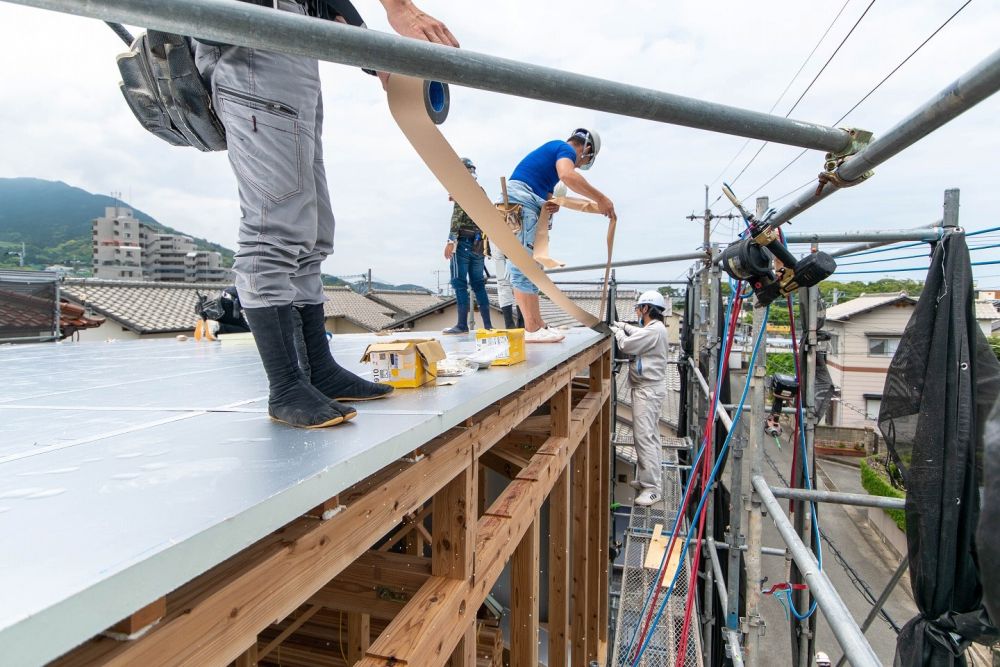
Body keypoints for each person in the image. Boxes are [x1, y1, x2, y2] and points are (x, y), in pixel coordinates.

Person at [194, 0, 459, 428]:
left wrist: (376, 60)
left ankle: (318, 369)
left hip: (293, 36)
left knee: (312, 230)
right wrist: (400, 9)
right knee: (274, 226)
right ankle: (285, 385)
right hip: (251, 37)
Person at [505, 128, 614, 343]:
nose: (579, 164)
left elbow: (546, 191)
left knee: (533, 265)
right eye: (584, 162)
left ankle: (537, 324)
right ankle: (532, 328)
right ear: (587, 149)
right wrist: (601, 199)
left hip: (527, 199)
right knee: (523, 264)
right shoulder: (564, 148)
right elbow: (567, 174)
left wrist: (551, 202)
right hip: (522, 199)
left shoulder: (552, 155)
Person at [613, 291, 670, 506]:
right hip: (649, 389)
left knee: (644, 437)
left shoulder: (654, 331)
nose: (637, 311)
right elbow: (638, 333)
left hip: (647, 390)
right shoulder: (654, 329)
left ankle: (653, 489)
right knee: (651, 436)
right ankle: (649, 481)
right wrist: (624, 326)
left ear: (646, 309)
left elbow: (627, 346)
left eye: (639, 308)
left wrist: (618, 333)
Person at [443, 158, 493, 334]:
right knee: (478, 284)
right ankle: (488, 326)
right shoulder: (480, 191)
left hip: (463, 242)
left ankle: (462, 325)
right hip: (478, 244)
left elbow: (457, 217)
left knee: (459, 283)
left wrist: (451, 241)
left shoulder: (462, 188)